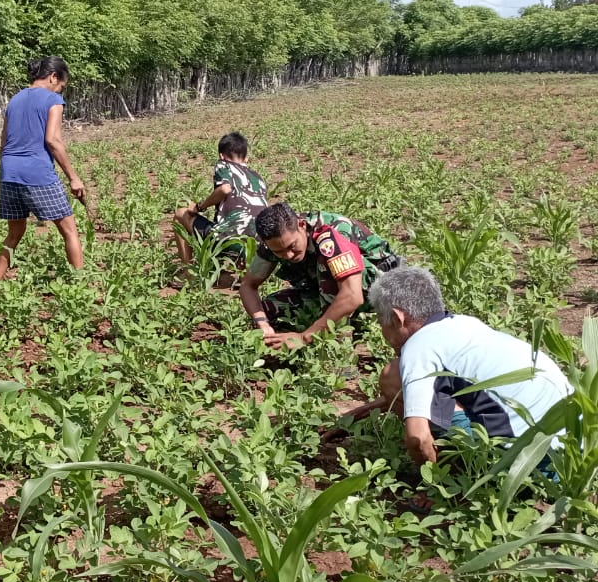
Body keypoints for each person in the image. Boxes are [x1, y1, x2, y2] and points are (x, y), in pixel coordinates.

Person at [364, 266, 572, 465]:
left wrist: (432, 479)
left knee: (393, 376)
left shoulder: (419, 347)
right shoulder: (465, 324)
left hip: (518, 464)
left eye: (381, 322)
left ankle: (455, 477)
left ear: (396, 317)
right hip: (567, 456)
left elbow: (417, 438)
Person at [240, 203, 400, 350]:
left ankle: (339, 352)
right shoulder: (274, 242)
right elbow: (248, 285)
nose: (287, 255)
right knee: (269, 308)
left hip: (381, 289)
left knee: (328, 266)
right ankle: (310, 342)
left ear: (302, 225)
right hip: (328, 290)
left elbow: (353, 296)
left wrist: (303, 337)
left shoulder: (330, 234)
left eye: (292, 246)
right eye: (278, 252)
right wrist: (263, 325)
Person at [0, 55, 87, 279]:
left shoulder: (14, 100)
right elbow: (53, 140)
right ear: (54, 77)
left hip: (9, 173)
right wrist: (74, 178)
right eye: (61, 86)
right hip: (36, 173)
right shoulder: (52, 101)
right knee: (69, 230)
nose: (59, 92)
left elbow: (3, 143)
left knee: (14, 234)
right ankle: (81, 284)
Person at [173, 131, 270, 266]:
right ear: (246, 158)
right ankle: (242, 265)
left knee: (180, 215)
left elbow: (225, 189)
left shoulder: (223, 165)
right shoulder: (258, 178)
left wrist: (200, 206)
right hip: (259, 246)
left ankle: (188, 274)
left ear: (221, 155)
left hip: (233, 241)